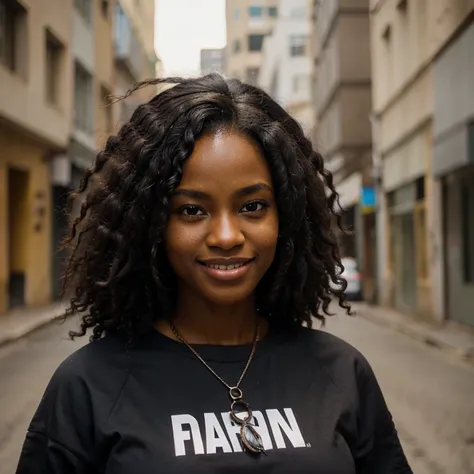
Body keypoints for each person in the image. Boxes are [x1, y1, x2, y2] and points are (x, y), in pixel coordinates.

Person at [16, 74, 412, 474]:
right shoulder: (87, 387)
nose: (226, 236)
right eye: (192, 210)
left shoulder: (341, 372)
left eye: (253, 206)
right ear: (149, 225)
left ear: (287, 218)